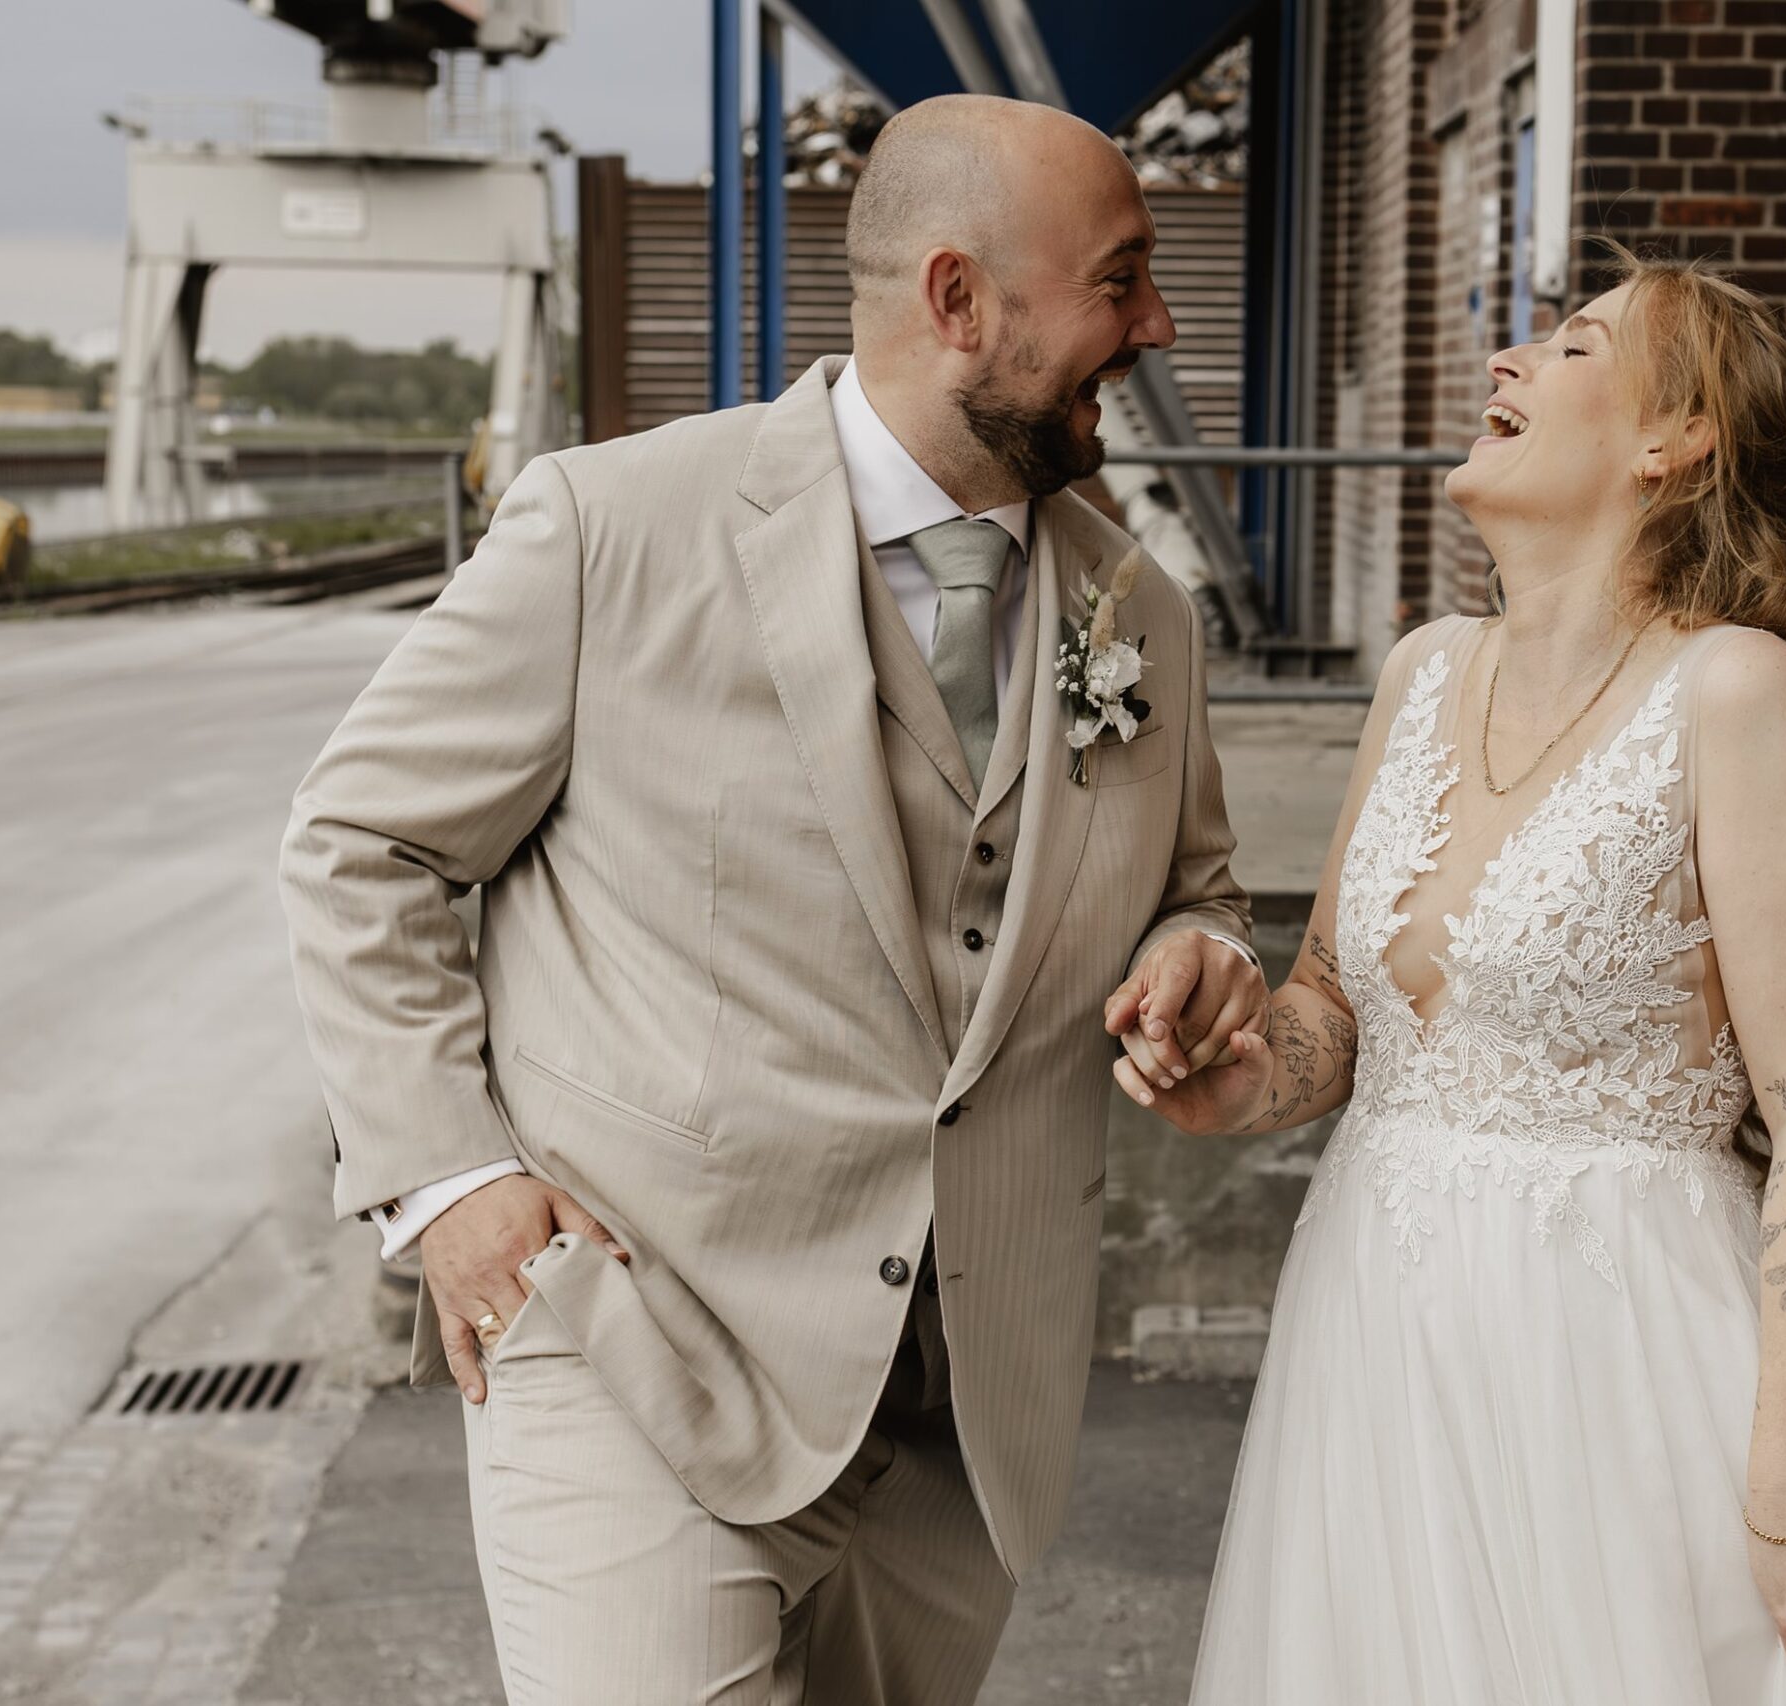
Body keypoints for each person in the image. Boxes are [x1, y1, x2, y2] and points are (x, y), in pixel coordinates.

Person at [276, 93, 1263, 1703]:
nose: (1157, 324)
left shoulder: (1139, 606)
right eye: (1121, 277)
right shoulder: (613, 526)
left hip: (964, 1423)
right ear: (959, 299)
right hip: (639, 1352)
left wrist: (1198, 950)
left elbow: (1198, 884)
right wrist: (451, 1180)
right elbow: (358, 840)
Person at [1138, 248, 1786, 1703]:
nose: (1506, 362)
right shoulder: (1423, 671)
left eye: (1572, 347)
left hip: (1617, 1355)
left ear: (1674, 440)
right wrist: (1238, 1078)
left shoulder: (1740, 693)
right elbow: (1335, 1006)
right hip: (1376, 1335)